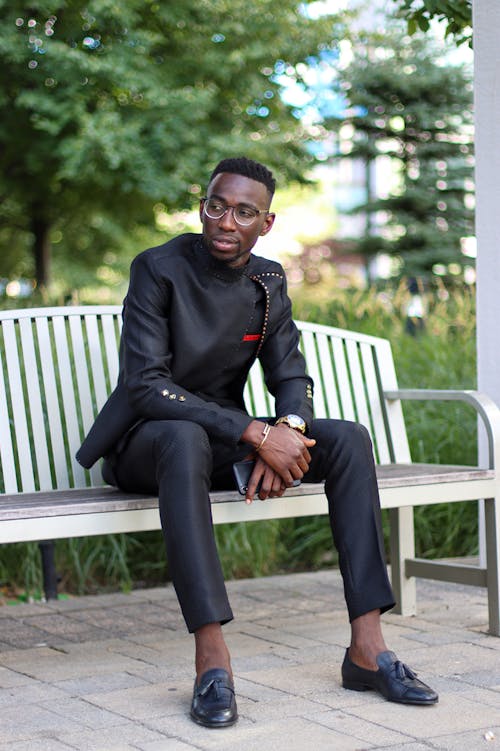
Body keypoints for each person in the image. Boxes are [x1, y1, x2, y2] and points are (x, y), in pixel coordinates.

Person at [77, 156, 438, 728]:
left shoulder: (267, 280)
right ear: (203, 206)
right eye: (216, 206)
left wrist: (288, 433)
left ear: (265, 224)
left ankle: (368, 648)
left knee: (347, 439)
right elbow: (146, 385)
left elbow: (290, 375)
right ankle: (211, 659)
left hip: (217, 438)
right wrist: (253, 432)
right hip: (149, 443)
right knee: (183, 436)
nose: (225, 221)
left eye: (244, 212)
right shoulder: (157, 268)